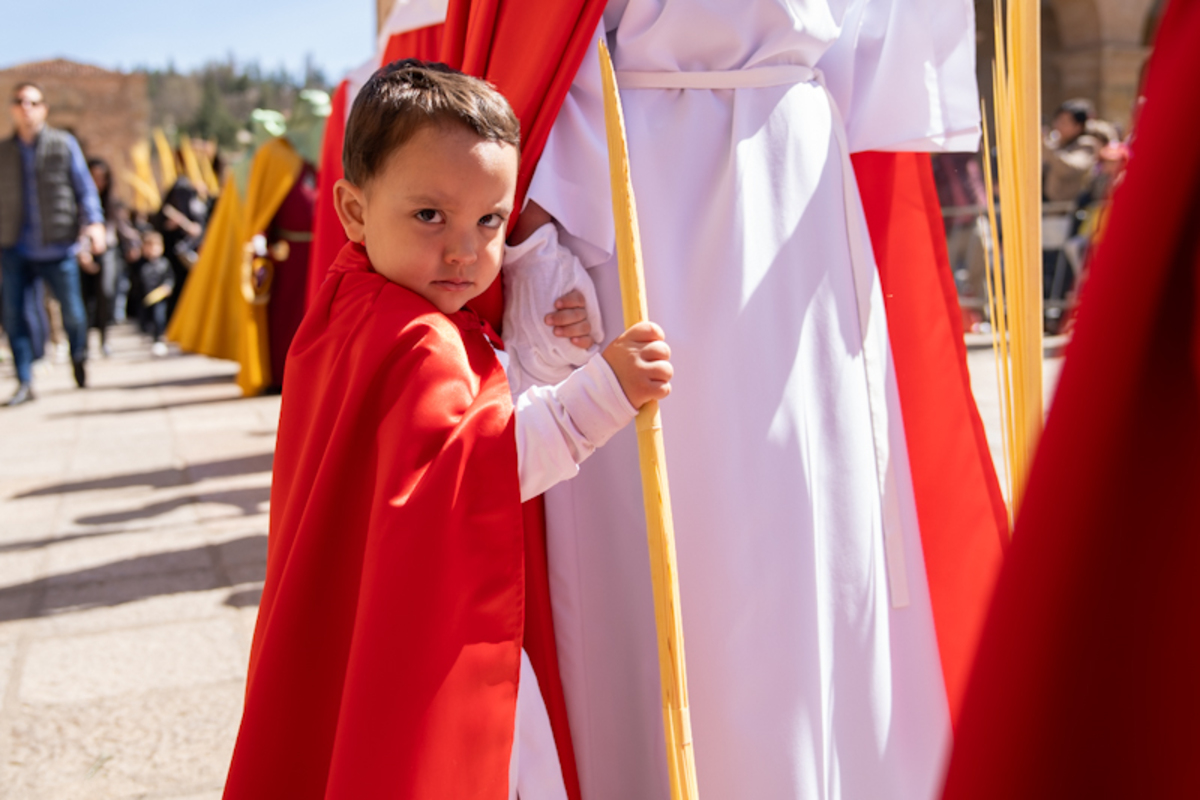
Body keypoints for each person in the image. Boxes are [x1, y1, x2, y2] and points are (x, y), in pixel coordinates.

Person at [502, 3, 985, 799]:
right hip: (637, 177)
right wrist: (541, 228)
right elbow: (551, 31)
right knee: (685, 514)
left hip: (800, 173)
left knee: (816, 506)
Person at [222, 61, 671, 799]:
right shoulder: (417, 341)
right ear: (356, 210)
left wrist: (542, 352)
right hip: (423, 641)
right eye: (431, 215)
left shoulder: (349, 306)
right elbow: (487, 469)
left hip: (365, 617)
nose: (465, 251)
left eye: (489, 220)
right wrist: (605, 391)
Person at [0, 81, 104, 404]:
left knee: (72, 313)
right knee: (13, 314)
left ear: (43, 108)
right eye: (19, 102)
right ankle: (25, 381)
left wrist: (95, 222)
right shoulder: (3, 152)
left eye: (32, 102)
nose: (25, 108)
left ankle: (78, 356)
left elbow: (84, 187)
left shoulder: (64, 143)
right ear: (12, 109)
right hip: (15, 244)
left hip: (58, 245)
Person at [79, 157, 122, 356]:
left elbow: (121, 228)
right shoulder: (78, 201)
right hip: (82, 252)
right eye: (94, 177)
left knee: (106, 292)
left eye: (102, 178)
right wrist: (83, 250)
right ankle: (83, 343)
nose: (98, 182)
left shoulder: (111, 203)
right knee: (84, 299)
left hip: (107, 251)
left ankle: (104, 339)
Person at [136, 230, 173, 355]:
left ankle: (159, 338)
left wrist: (168, 287)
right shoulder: (140, 264)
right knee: (145, 320)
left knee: (159, 317)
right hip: (145, 297)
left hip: (159, 297)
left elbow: (170, 278)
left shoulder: (164, 263)